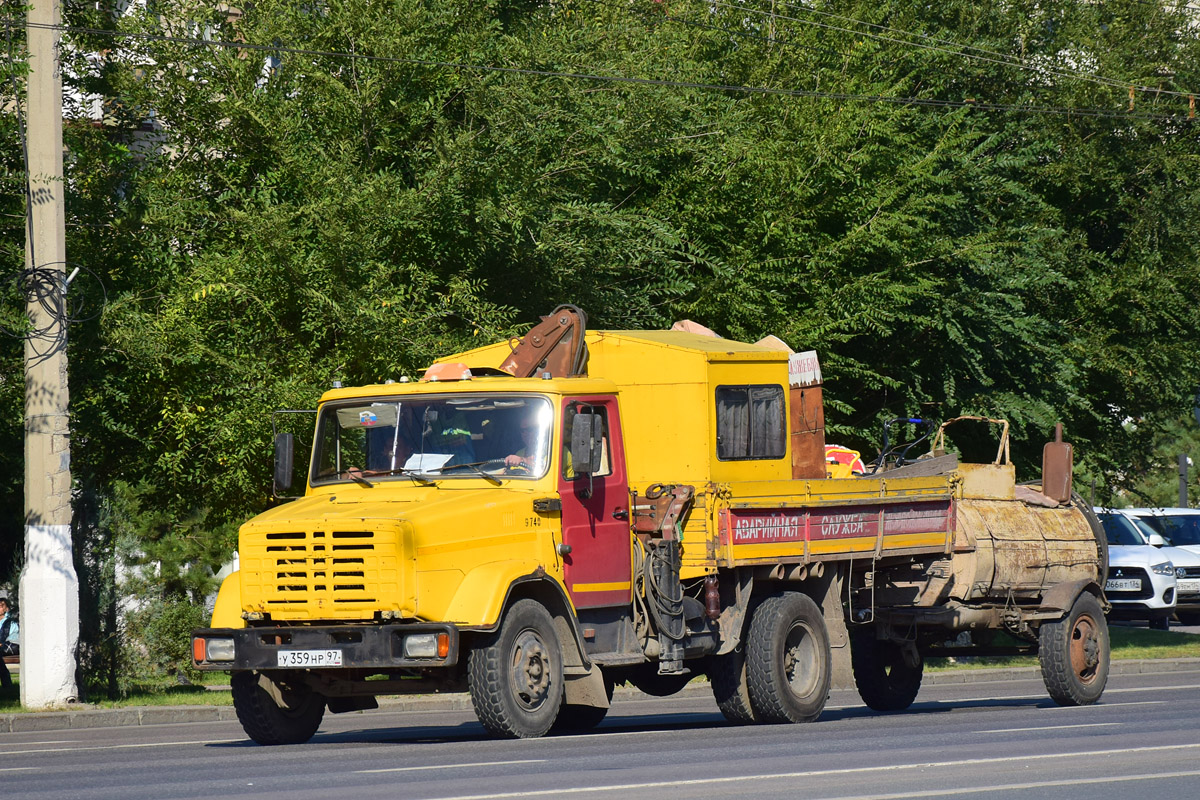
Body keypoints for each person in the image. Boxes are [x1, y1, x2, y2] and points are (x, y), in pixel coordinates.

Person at [0, 597, 18, 689]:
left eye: (1, 606)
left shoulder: (10, 621)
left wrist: (1, 643)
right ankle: (7, 685)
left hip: (9, 646)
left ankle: (7, 685)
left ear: (6, 609)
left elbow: (13, 636)